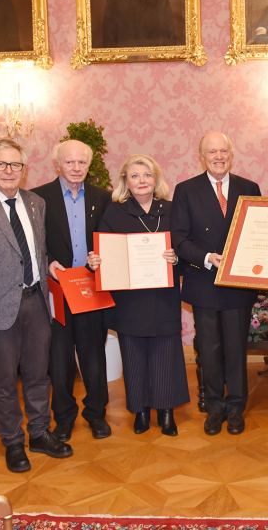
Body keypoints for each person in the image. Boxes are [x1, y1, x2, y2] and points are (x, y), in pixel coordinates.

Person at [0, 139, 72, 473]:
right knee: (4, 381)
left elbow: (36, 251)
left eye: (15, 165)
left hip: (36, 303)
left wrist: (47, 267)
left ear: (24, 169)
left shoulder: (35, 202)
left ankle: (38, 433)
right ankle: (13, 442)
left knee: (38, 375)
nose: (8, 171)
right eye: (1, 165)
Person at [170, 132, 261, 436]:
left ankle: (236, 407)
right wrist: (208, 256)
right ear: (202, 156)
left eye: (223, 151)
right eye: (212, 152)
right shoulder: (186, 190)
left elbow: (260, 233)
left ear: (231, 154)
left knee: (236, 349)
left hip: (238, 284)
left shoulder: (250, 188)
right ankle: (214, 407)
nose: (218, 156)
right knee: (209, 350)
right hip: (204, 281)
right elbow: (179, 238)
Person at [93, 155, 189, 436]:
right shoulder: (114, 213)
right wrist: (98, 261)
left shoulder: (173, 210)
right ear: (125, 181)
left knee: (165, 353)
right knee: (133, 354)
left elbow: (186, 247)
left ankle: (167, 412)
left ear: (156, 178)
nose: (141, 181)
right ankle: (142, 411)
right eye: (134, 176)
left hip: (163, 295)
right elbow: (104, 253)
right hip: (129, 299)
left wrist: (176, 259)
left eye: (146, 175)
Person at [32, 140, 112, 441]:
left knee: (93, 356)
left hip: (91, 289)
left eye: (82, 162)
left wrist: (101, 257)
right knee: (60, 358)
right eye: (70, 162)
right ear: (58, 164)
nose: (76, 168)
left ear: (88, 165)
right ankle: (63, 418)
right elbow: (33, 243)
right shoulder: (38, 198)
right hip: (57, 291)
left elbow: (110, 237)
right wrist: (49, 262)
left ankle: (96, 414)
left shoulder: (102, 197)